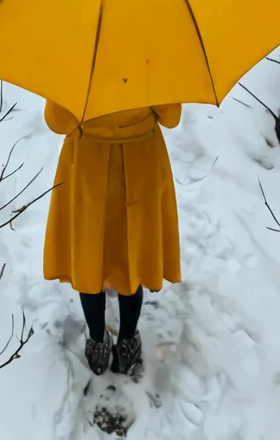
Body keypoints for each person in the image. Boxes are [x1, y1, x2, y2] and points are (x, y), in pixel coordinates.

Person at [42, 100, 182, 375]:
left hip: (87, 164)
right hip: (142, 158)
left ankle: (97, 341)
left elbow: (57, 121)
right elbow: (171, 116)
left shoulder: (77, 69)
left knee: (89, 255)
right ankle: (127, 342)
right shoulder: (150, 68)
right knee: (133, 252)